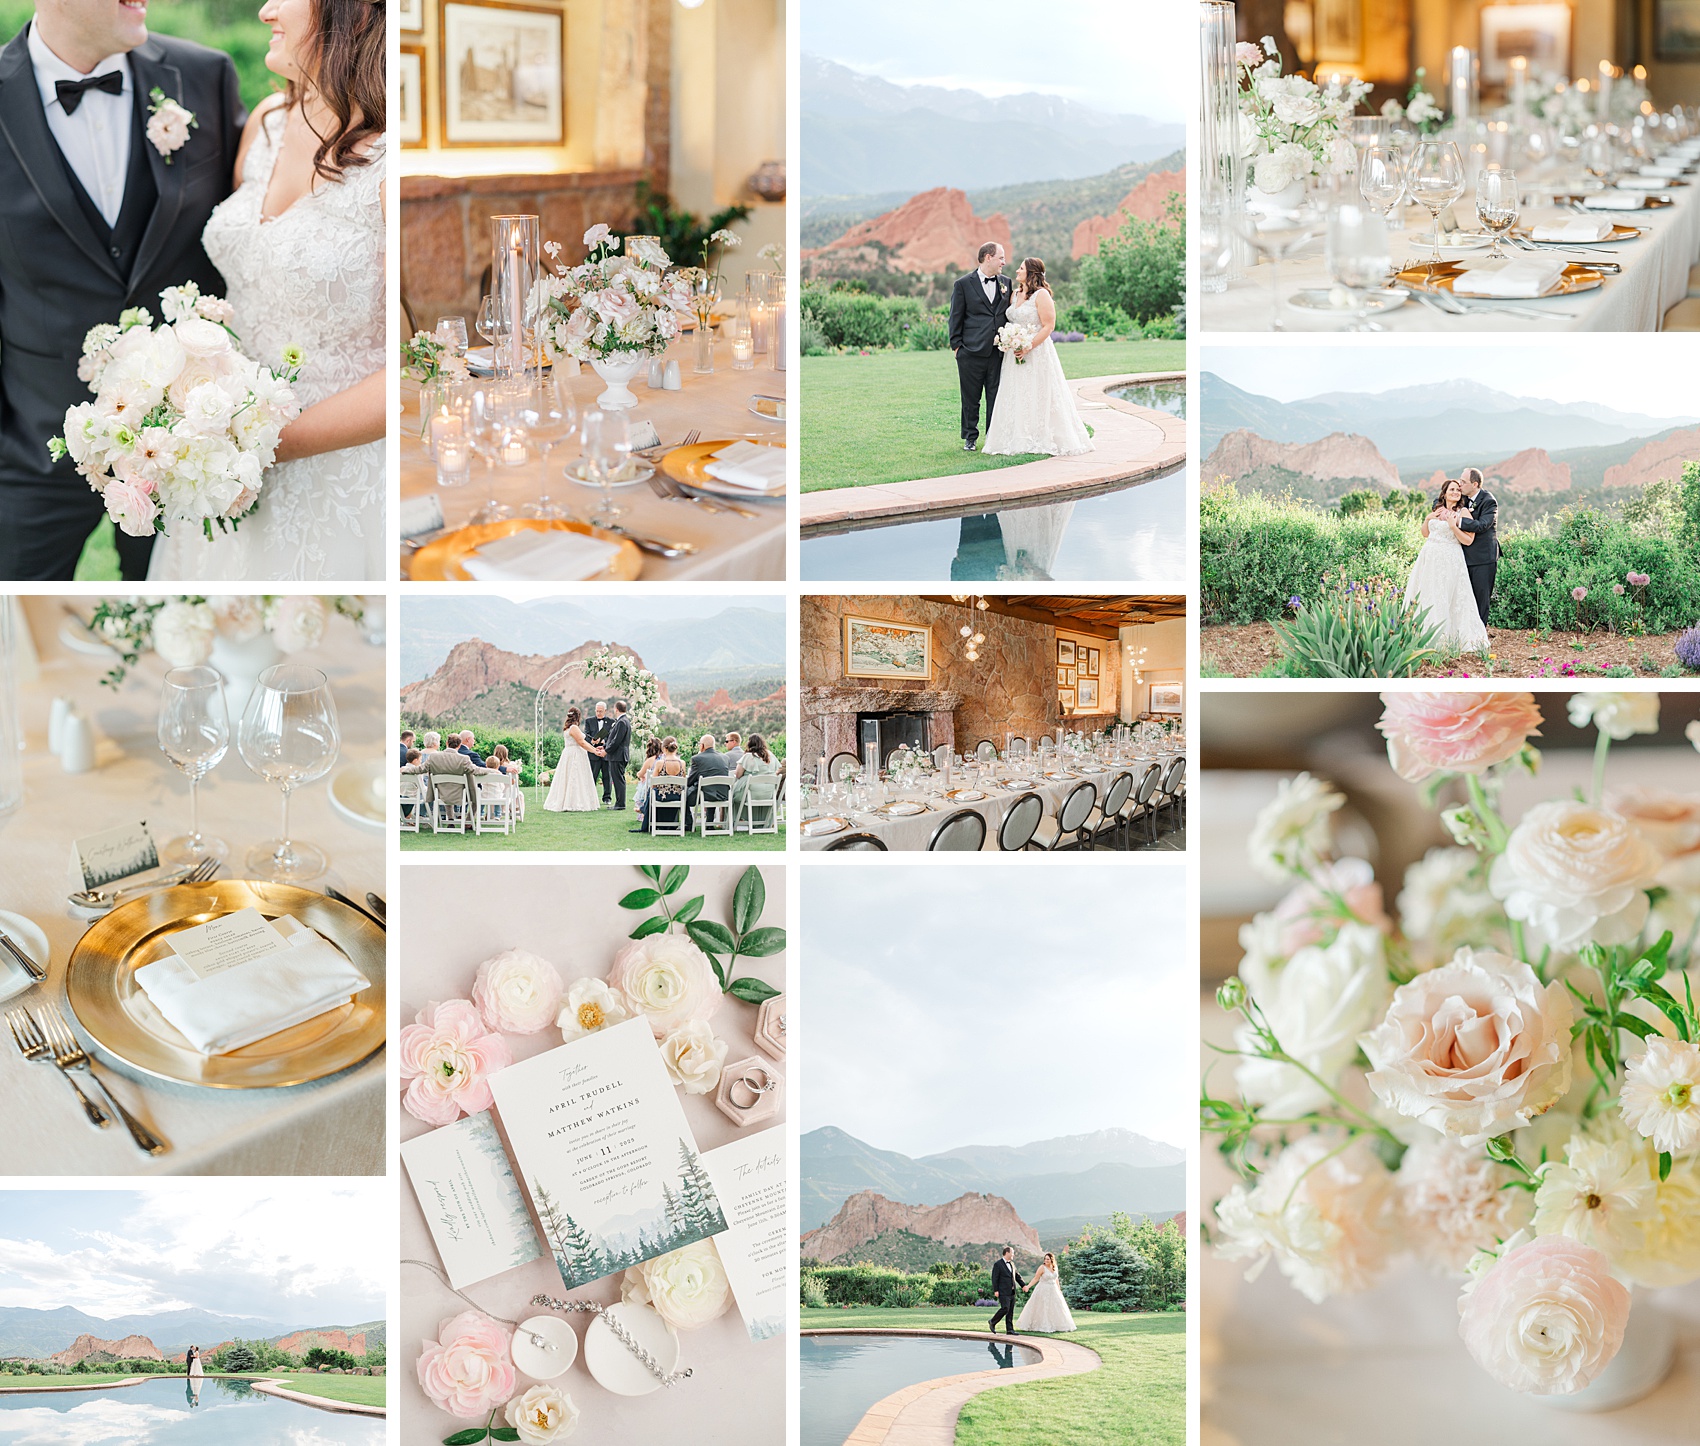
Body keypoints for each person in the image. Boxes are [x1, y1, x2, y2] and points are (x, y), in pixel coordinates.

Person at [0, 0, 245, 579]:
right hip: (34, 452)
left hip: (184, 454)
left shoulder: (205, 75)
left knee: (176, 626)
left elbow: (242, 242)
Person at [149, 0, 385, 581]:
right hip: (216, 463)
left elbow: (408, 368)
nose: (264, 10)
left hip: (337, 473)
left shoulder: (389, 157)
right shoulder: (267, 122)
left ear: (350, 12)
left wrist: (257, 445)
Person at [983, 258, 1093, 458]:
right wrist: (1010, 341)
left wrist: (1027, 346)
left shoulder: (1041, 295)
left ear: (1031, 273)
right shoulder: (1015, 293)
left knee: (1038, 392)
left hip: (1036, 351)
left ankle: (1039, 436)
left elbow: (1049, 326)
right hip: (1013, 355)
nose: (1017, 270)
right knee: (1016, 393)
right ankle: (1018, 437)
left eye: (1021, 268)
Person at [1402, 477, 1490, 653]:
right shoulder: (1437, 509)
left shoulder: (1463, 513)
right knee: (1429, 594)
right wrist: (1427, 519)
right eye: (1452, 490)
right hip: (1429, 557)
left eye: (1458, 490)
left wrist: (1453, 526)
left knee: (1447, 596)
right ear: (1444, 493)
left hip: (1450, 558)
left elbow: (1468, 540)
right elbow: (1425, 534)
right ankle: (1423, 635)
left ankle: (1445, 639)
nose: (1456, 492)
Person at [948, 242, 1013, 453]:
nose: (1004, 262)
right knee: (970, 397)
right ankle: (970, 437)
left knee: (996, 396)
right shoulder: (963, 284)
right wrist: (957, 347)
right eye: (1001, 258)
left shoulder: (1007, 283)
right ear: (988, 257)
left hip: (997, 352)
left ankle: (993, 437)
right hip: (970, 352)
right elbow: (955, 317)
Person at [1455, 466, 1500, 632]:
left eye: (1463, 482)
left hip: (1483, 558)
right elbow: (1441, 499)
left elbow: (1482, 525)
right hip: (1463, 556)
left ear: (1475, 484)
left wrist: (1457, 522)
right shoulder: (1463, 497)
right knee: (1464, 597)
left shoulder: (1489, 501)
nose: (1459, 485)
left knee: (1481, 598)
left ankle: (1479, 635)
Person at [544, 708, 600, 813]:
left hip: (569, 754)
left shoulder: (568, 728)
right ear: (578, 716)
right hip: (575, 755)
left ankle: (569, 800)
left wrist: (591, 744)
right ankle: (574, 802)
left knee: (570, 777)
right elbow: (581, 743)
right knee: (575, 777)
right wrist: (594, 751)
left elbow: (582, 741)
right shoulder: (574, 728)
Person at [633, 736, 687, 833]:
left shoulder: (660, 763)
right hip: (677, 796)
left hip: (662, 796)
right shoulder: (682, 763)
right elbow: (683, 780)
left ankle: (644, 811)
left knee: (651, 791)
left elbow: (653, 783)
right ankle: (643, 809)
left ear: (664, 748)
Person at [1015, 1252, 1076, 1333]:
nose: (1046, 1260)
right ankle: (1040, 1325)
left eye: (1048, 1259)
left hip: (1054, 1290)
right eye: (1045, 1259)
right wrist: (1028, 1286)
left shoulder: (1055, 1267)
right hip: (1043, 1289)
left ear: (1051, 1260)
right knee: (1043, 1307)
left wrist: (1059, 1289)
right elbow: (1036, 1278)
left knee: (1056, 1307)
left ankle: (1057, 1325)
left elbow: (1056, 1279)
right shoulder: (1042, 1267)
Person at [684, 734, 731, 830]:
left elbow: (690, 781)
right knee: (711, 788)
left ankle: (689, 824)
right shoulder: (725, 758)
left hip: (705, 794)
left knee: (683, 794)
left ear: (702, 745)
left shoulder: (697, 758)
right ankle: (709, 823)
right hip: (723, 794)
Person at [731, 733, 778, 829]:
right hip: (768, 793)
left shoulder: (748, 756)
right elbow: (776, 772)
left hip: (751, 792)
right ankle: (761, 822)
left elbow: (738, 774)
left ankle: (733, 821)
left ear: (749, 744)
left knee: (732, 796)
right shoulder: (770, 755)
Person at [600, 699, 632, 812]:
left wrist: (606, 751)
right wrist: (604, 747)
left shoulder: (622, 722)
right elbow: (612, 739)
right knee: (618, 779)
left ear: (616, 709)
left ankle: (620, 804)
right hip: (618, 755)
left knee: (618, 780)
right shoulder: (622, 721)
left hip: (618, 756)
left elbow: (616, 741)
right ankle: (619, 803)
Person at [988, 1247, 1025, 1336]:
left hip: (1012, 1291)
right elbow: (994, 1278)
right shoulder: (998, 1264)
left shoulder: (1012, 1264)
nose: (1013, 1255)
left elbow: (1017, 1276)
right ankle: (992, 1321)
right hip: (1003, 1291)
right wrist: (996, 1290)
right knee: (1005, 1308)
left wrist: (1023, 1285)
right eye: (1012, 1253)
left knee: (1010, 1311)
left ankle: (1010, 1330)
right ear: (1007, 1253)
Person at [583, 701, 612, 806]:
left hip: (605, 753)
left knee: (607, 776)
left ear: (605, 711)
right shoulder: (589, 721)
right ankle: (590, 798)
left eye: (600, 711)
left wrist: (604, 742)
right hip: (593, 753)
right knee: (592, 776)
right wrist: (592, 741)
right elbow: (586, 734)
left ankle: (607, 798)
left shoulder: (611, 722)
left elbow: (612, 737)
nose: (598, 713)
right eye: (597, 711)